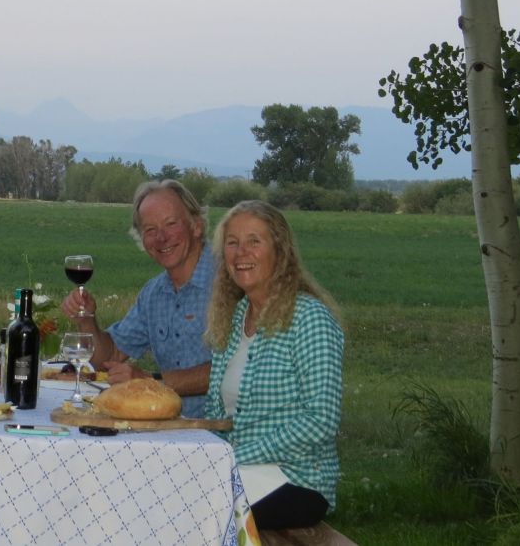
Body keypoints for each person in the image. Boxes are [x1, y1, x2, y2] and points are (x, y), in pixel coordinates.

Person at [203, 200, 343, 530]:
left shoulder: (309, 318)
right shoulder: (235, 318)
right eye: (232, 243)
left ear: (280, 251)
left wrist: (237, 456)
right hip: (240, 472)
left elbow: (322, 420)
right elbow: (216, 411)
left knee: (195, 507)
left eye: (254, 241)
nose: (241, 253)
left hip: (296, 480)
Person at [60, 179, 215, 418]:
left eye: (171, 224)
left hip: (223, 435)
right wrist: (86, 319)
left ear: (197, 226)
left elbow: (232, 371)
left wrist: (151, 382)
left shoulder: (229, 283)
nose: (161, 238)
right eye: (150, 230)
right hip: (170, 430)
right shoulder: (154, 294)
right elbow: (108, 359)